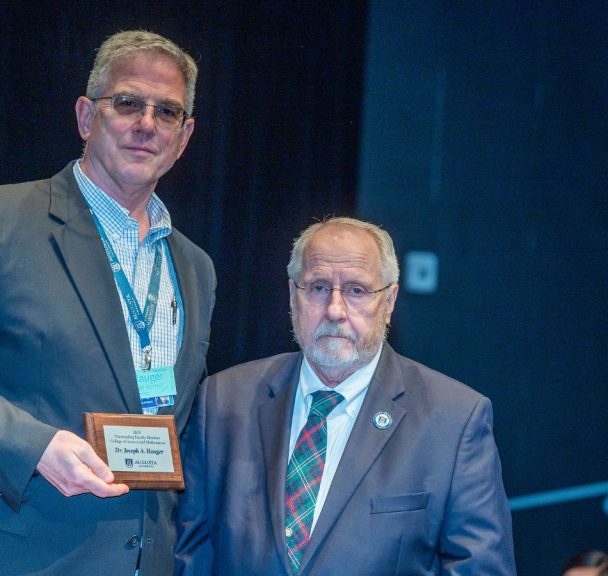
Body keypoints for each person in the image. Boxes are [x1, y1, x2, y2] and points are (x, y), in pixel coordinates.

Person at [0, 30, 215, 576]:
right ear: (85, 116)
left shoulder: (195, 267)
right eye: (127, 103)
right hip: (5, 556)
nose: (146, 124)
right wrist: (34, 447)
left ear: (185, 134)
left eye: (166, 112)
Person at [176, 217, 515, 575]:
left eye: (356, 290)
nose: (335, 310)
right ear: (293, 295)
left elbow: (480, 569)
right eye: (319, 287)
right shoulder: (224, 400)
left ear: (389, 301)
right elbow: (191, 553)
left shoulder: (454, 420)